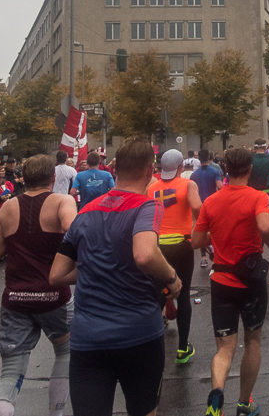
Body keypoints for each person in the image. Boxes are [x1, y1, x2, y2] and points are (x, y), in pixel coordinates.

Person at [50, 137, 180, 416]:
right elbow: (145, 255)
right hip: (139, 334)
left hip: (88, 340)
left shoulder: (85, 211)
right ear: (150, 170)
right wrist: (171, 277)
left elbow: (57, 274)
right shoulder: (147, 206)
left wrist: (95, 268)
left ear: (116, 168)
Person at [192, 146, 269, 416]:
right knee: (252, 341)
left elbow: (196, 241)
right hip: (250, 280)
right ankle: (244, 402)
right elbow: (265, 226)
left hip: (221, 280)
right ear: (250, 170)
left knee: (225, 348)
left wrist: (215, 237)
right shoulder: (257, 198)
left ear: (226, 170)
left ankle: (217, 390)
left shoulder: (211, 202)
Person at [0, 154, 77, 416]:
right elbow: (78, 235)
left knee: (10, 373)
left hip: (15, 297)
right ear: (53, 177)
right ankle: (55, 413)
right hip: (54, 296)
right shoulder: (63, 201)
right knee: (65, 353)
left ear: (23, 178)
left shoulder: (8, 208)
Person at [147, 149, 202, 365]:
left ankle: (152, 348)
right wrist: (200, 228)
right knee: (184, 293)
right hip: (182, 244)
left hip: (158, 246)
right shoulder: (188, 185)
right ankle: (182, 348)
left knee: (158, 294)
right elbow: (197, 206)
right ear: (181, 167)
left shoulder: (151, 188)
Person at [190, 149, 223, 268]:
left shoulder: (194, 175)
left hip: (199, 205)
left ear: (199, 158)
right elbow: (219, 186)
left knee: (201, 229)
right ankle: (216, 252)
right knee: (214, 228)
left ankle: (203, 257)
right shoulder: (215, 172)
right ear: (209, 157)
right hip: (212, 204)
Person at [248, 139, 269, 216]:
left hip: (253, 191)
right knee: (268, 215)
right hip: (267, 191)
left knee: (253, 215)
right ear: (265, 147)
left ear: (254, 147)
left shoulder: (250, 159)